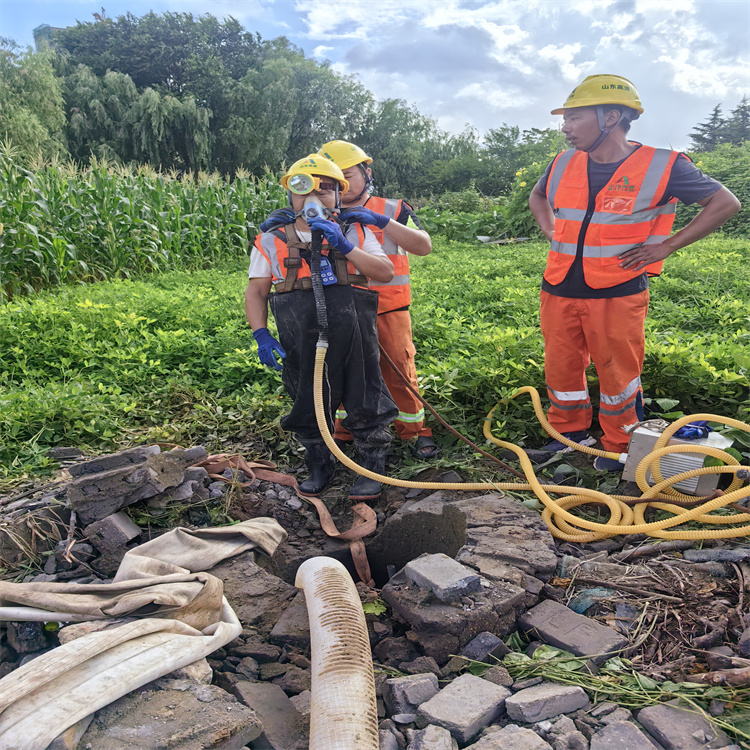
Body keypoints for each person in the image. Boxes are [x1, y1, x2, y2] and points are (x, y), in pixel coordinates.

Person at [529, 74, 741, 471]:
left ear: (611, 117)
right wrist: (550, 228)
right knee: (561, 366)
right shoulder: (562, 162)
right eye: (566, 119)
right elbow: (538, 195)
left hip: (617, 289)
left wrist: (667, 246)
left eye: (574, 118)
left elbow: (725, 203)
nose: (565, 128)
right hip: (558, 285)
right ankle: (568, 436)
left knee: (618, 373)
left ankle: (618, 445)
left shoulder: (663, 165)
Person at [245, 154, 398, 499]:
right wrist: (261, 333)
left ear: (338, 197)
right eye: (303, 189)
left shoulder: (355, 230)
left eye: (325, 189)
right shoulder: (272, 239)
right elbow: (256, 292)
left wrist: (344, 245)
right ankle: (319, 464)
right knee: (308, 399)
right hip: (301, 337)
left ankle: (371, 466)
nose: (314, 198)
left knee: (366, 396)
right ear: (291, 196)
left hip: (355, 335)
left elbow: (385, 272)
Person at [318, 140, 440, 459]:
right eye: (332, 180)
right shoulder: (317, 212)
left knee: (399, 368)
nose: (341, 186)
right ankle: (345, 431)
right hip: (341, 310)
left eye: (347, 175)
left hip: (388, 307)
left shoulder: (393, 209)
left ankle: (414, 431)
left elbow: (424, 245)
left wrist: (383, 222)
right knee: (343, 372)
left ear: (366, 173)